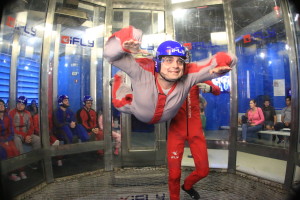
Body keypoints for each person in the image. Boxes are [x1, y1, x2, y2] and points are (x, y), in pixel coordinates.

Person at [104, 26, 236, 124]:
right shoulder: (143, 68)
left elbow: (230, 58)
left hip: (166, 117)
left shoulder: (188, 72)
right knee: (120, 100)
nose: (175, 66)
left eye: (180, 61)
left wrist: (223, 62)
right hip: (134, 108)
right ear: (157, 63)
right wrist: (126, 41)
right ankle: (118, 79)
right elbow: (110, 56)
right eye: (168, 60)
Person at [9, 96, 41, 179]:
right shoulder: (12, 113)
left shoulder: (28, 113)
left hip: (27, 134)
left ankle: (33, 162)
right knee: (17, 141)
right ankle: (21, 169)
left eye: (22, 104)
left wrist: (28, 135)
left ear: (25, 105)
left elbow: (31, 127)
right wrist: (24, 136)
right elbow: (11, 128)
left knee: (38, 140)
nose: (20, 106)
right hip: (16, 134)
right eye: (18, 104)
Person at [0, 99, 25, 181]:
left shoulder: (8, 117)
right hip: (1, 140)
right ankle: (10, 174)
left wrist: (8, 139)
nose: (1, 106)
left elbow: (11, 131)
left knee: (15, 150)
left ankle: (20, 170)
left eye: (2, 104)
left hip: (7, 138)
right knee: (7, 150)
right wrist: (3, 141)